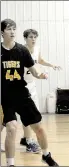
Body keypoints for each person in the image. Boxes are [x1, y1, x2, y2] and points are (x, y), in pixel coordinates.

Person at [1, 18, 58, 166]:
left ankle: (46, 155)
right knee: (11, 128)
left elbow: (33, 70)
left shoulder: (22, 50)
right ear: (2, 32)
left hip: (21, 93)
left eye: (14, 28)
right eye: (8, 29)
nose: (12, 31)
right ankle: (10, 163)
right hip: (4, 96)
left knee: (38, 128)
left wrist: (40, 75)